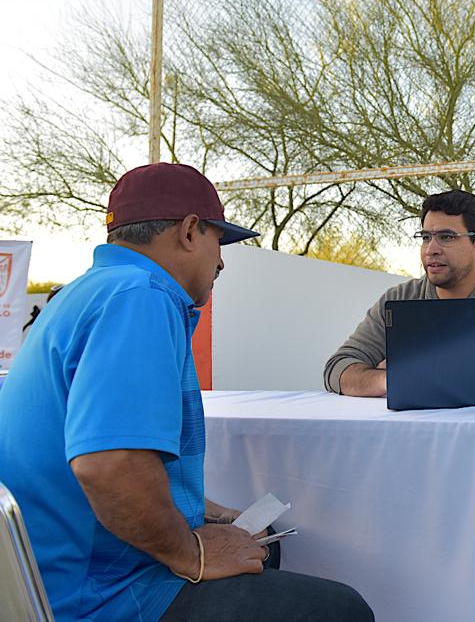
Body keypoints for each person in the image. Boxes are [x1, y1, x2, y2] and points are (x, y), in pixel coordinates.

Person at [0, 163, 374, 622]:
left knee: (262, 542)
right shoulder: (141, 296)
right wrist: (191, 552)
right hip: (95, 593)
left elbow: (120, 457)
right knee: (340, 610)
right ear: (191, 231)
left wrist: (208, 515)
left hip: (53, 568)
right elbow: (110, 464)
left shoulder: (90, 291)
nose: (221, 262)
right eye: (220, 241)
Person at [324, 189, 475, 397]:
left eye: (446, 237)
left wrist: (418, 371)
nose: (430, 249)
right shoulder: (399, 299)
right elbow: (338, 368)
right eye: (426, 237)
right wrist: (390, 379)